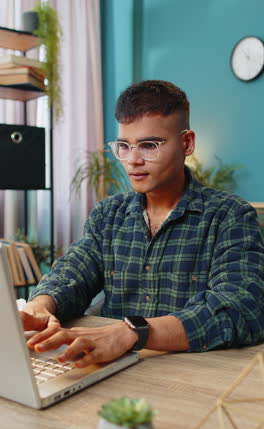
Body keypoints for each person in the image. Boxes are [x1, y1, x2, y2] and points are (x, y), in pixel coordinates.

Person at [21, 80, 264, 368]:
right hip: (108, 370)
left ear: (186, 143)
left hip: (191, 377)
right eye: (124, 146)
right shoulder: (108, 215)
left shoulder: (230, 216)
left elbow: (242, 308)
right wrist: (40, 306)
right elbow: (72, 272)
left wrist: (132, 332)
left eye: (149, 145)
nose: (133, 161)